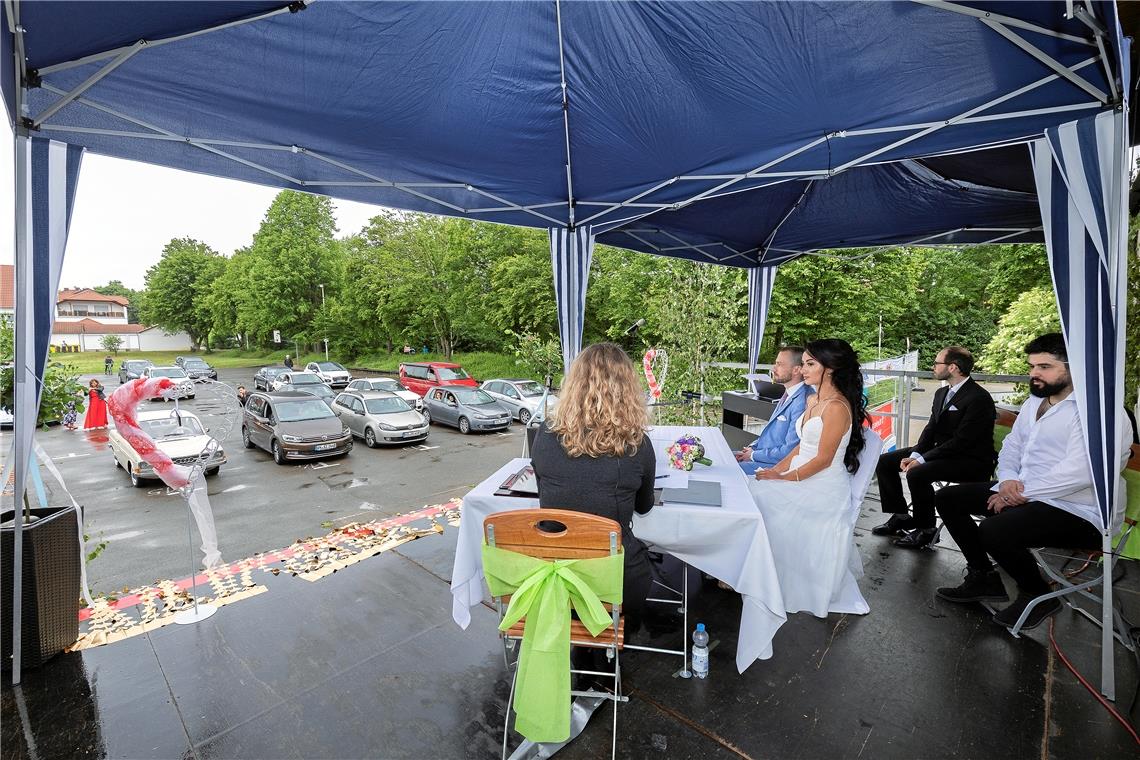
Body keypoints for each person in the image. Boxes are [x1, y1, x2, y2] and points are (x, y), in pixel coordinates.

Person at [934, 333, 1131, 629]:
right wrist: (1008, 480)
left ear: (1074, 367)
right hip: (1028, 491)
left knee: (995, 530)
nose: (1034, 374)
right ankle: (983, 576)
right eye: (1031, 366)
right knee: (948, 499)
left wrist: (1018, 493)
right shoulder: (1034, 403)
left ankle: (1037, 594)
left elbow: (1082, 472)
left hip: (1081, 509)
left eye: (1044, 366)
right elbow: (1013, 445)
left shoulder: (1099, 412)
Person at [530, 342, 655, 638]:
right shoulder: (637, 445)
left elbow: (546, 497)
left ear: (573, 384)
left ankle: (584, 641)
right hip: (613, 581)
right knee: (640, 569)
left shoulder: (544, 438)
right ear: (628, 389)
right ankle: (609, 637)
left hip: (556, 575)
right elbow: (644, 506)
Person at [748, 338, 869, 616]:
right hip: (800, 472)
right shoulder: (813, 399)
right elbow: (802, 446)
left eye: (810, 364)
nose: (803, 369)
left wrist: (785, 480)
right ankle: (755, 574)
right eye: (803, 364)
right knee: (754, 486)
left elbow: (823, 460)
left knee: (759, 497)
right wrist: (777, 470)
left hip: (822, 484)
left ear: (831, 368)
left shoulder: (837, 406)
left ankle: (762, 578)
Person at [872, 346, 996, 549]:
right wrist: (915, 453)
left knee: (917, 473)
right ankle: (902, 515)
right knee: (885, 462)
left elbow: (962, 441)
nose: (933, 367)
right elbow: (931, 429)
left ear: (953, 367)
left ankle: (926, 529)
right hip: (942, 452)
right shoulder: (941, 393)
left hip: (970, 460)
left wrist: (921, 460)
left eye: (937, 363)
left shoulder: (978, 398)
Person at [734, 346, 814, 476]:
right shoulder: (788, 393)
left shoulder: (803, 401)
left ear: (796, 370)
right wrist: (752, 448)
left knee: (727, 470)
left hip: (775, 465)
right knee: (720, 459)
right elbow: (769, 435)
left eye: (779, 364)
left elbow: (790, 450)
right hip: (761, 455)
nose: (773, 368)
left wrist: (753, 455)